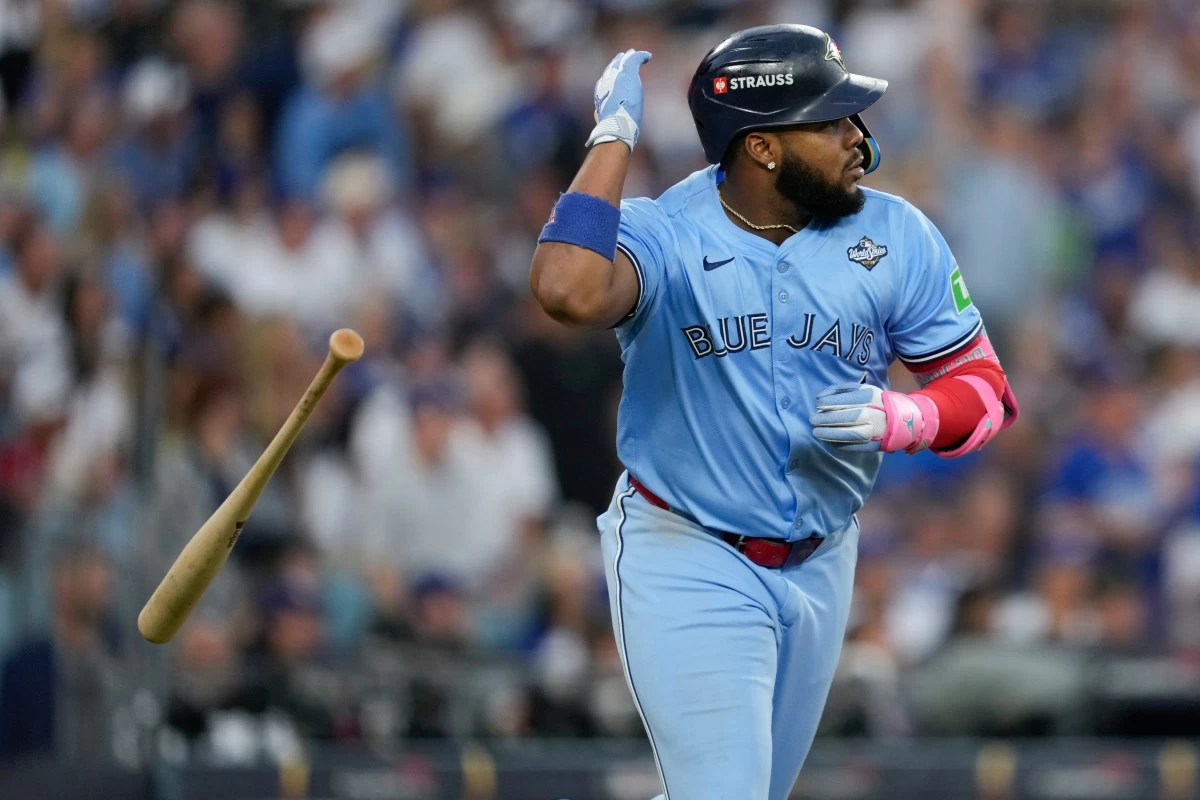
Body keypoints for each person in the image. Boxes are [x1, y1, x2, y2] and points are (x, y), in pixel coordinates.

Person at [528, 25, 1020, 799]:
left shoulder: (897, 234)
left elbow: (986, 391)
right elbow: (564, 289)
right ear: (762, 148)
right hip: (690, 547)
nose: (858, 139)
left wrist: (909, 419)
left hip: (823, 557)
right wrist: (613, 138)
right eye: (830, 122)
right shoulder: (668, 234)